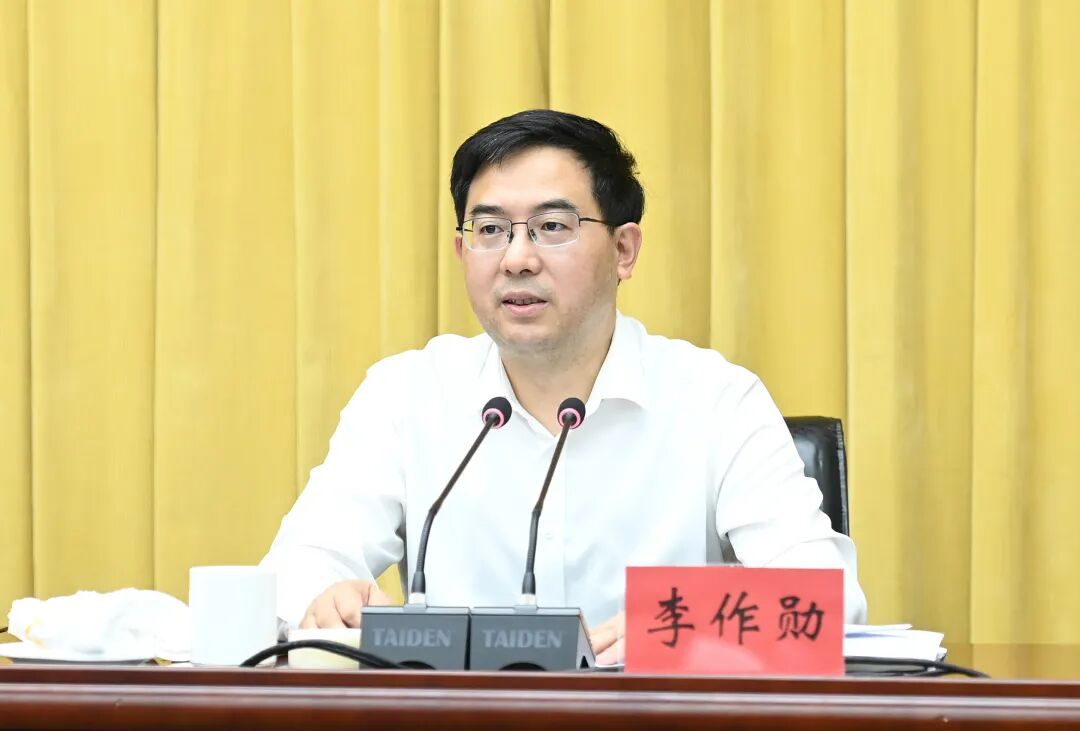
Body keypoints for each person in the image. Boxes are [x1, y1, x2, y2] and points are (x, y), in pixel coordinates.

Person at [260, 109, 867, 664]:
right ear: (461, 251)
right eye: (490, 229)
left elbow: (825, 598)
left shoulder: (715, 401)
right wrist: (328, 599)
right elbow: (295, 568)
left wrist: (680, 628)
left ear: (624, 249)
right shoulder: (406, 396)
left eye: (552, 226)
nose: (516, 259)